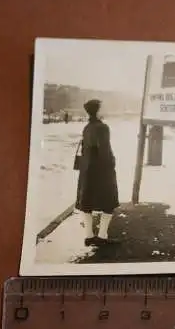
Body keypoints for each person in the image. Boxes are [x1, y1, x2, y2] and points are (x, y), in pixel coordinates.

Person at [75, 99, 120, 246]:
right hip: (101, 170)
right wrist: (111, 164)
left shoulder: (87, 127)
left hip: (86, 170)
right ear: (98, 111)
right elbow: (104, 151)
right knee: (108, 201)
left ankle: (88, 236)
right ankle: (102, 236)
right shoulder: (103, 128)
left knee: (86, 202)